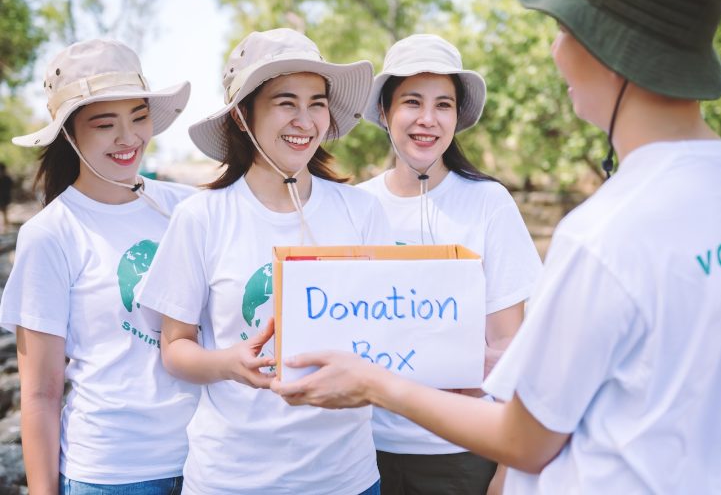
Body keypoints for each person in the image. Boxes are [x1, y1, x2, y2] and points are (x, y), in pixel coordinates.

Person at [270, 0, 721, 494]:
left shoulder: (606, 234)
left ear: (608, 48)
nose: (557, 52)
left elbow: (527, 441)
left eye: (564, 27)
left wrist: (375, 383)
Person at [137, 28, 389, 495]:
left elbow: (385, 330)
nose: (305, 119)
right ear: (242, 116)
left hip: (345, 478)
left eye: (317, 102)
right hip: (231, 478)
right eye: (285, 101)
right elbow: (175, 349)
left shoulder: (362, 211)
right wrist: (230, 364)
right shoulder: (202, 216)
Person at [0, 39, 197, 494]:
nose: (128, 138)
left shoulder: (187, 209)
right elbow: (41, 394)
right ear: (69, 133)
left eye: (139, 117)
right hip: (111, 474)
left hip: (208, 463)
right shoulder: (50, 234)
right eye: (105, 123)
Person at [358, 33, 543, 493]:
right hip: (362, 452)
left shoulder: (488, 202)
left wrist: (507, 468)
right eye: (411, 102)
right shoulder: (355, 206)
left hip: (460, 451)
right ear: (385, 112)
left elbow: (508, 348)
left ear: (457, 117)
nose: (427, 119)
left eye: (443, 105)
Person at [0, 163, 12, 231]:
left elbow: (10, 187)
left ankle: (5, 228)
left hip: (4, 198)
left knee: (5, 213)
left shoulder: (7, 179)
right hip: (3, 198)